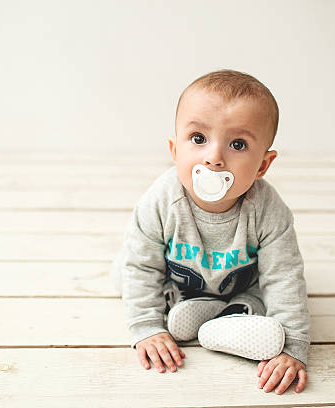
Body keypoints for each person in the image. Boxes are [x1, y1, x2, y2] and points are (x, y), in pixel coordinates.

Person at [110, 69, 311, 394]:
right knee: (125, 272)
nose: (214, 158)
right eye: (199, 139)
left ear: (262, 165)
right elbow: (142, 266)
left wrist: (293, 347)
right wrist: (147, 327)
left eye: (237, 144)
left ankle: (236, 312)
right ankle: (176, 299)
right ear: (175, 151)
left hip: (241, 282)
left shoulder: (269, 211)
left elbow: (284, 276)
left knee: (265, 294)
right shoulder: (161, 201)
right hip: (178, 275)